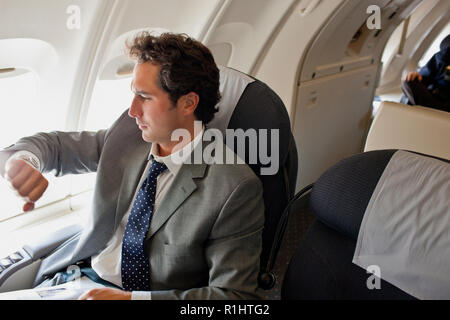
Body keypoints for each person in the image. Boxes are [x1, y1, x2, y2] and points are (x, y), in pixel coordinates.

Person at [0, 32, 265, 300]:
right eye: (133, 95)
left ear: (188, 103)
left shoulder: (234, 187)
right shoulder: (128, 135)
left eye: (145, 97)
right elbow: (56, 147)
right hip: (74, 280)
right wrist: (22, 161)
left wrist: (132, 300)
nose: (132, 111)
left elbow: (235, 298)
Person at [401, 35, 450, 112]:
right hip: (434, 96)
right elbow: (424, 75)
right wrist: (415, 76)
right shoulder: (445, 54)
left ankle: (429, 112)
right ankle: (431, 111)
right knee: (408, 81)